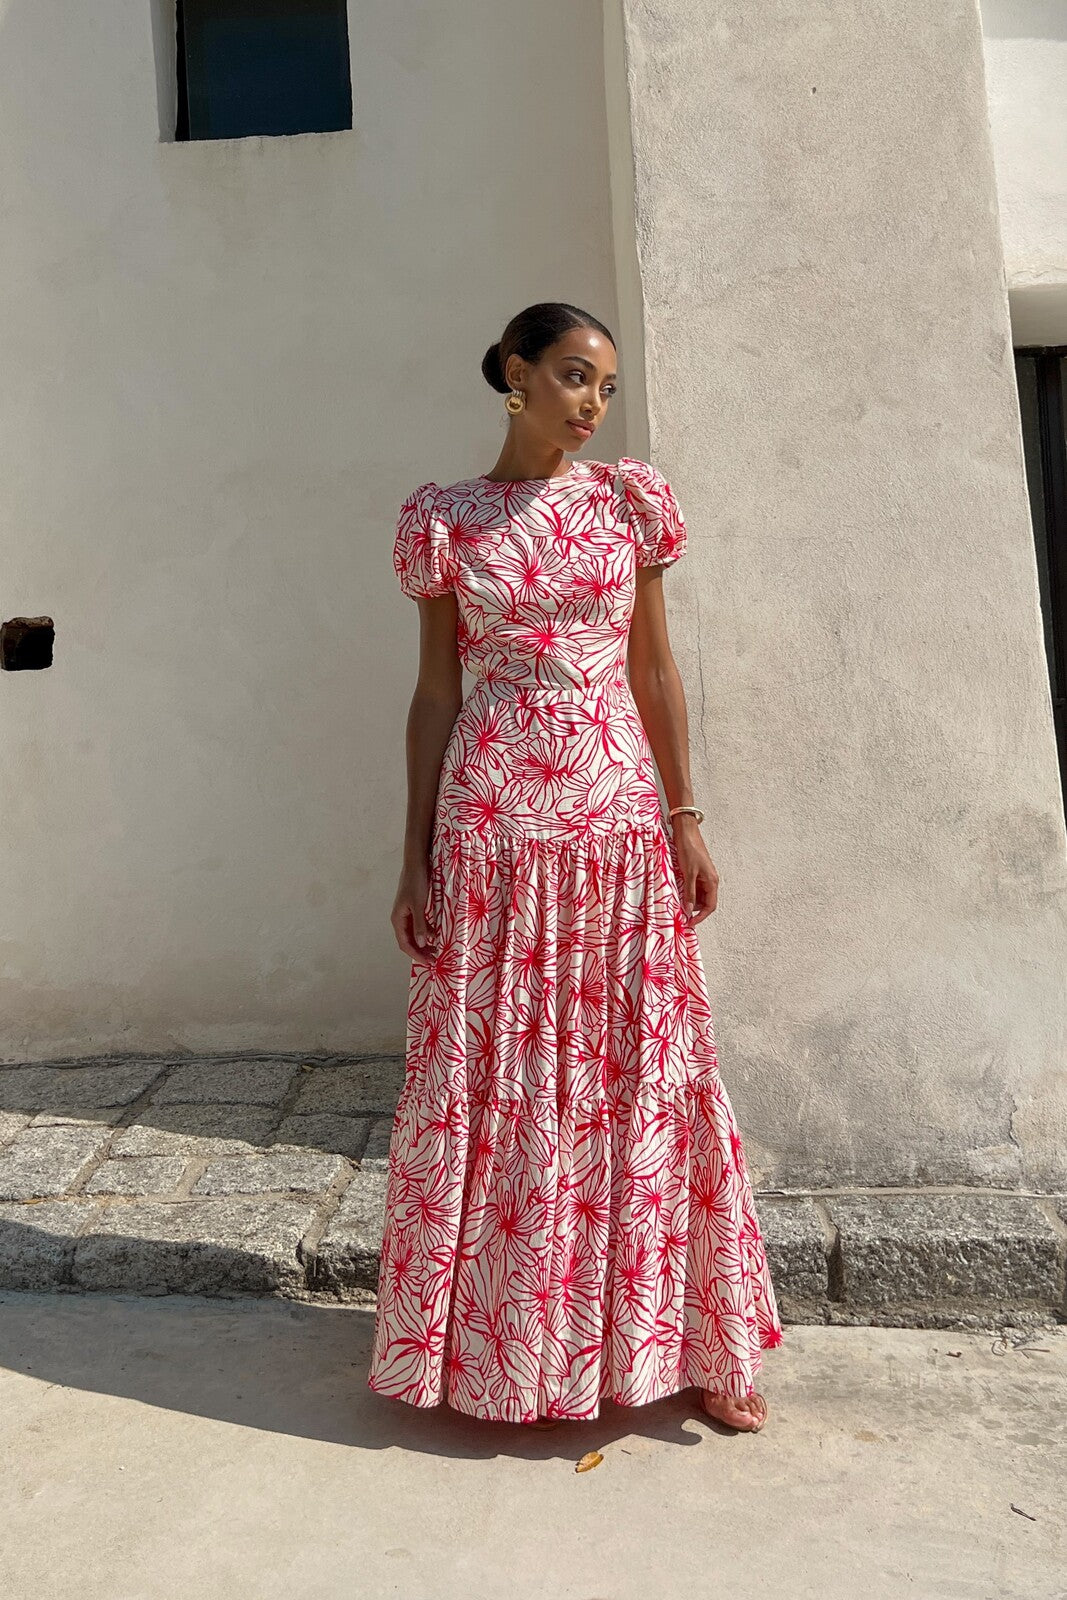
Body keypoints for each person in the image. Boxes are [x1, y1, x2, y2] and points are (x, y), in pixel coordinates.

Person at [368, 301, 783, 1433]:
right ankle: (505, 1357)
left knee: (647, 1076)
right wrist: (410, 857)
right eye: (571, 376)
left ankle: (701, 1344)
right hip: (491, 831)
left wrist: (686, 815)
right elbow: (435, 694)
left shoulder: (624, 504)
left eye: (604, 382)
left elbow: (653, 674)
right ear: (515, 375)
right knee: (496, 1091)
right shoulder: (445, 520)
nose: (592, 402)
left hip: (614, 830)